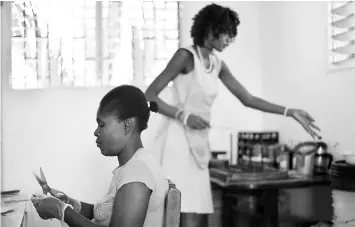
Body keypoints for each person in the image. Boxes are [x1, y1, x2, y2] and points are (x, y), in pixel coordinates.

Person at [144, 3, 320, 227]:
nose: (230, 40)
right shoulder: (185, 56)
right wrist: (182, 115)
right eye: (228, 33)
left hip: (199, 144)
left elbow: (248, 99)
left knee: (195, 212)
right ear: (211, 30)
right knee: (177, 208)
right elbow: (148, 97)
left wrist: (289, 111)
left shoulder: (217, 64)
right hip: (176, 142)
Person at [31, 85, 169, 227]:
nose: (96, 132)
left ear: (127, 126)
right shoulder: (136, 165)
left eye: (102, 125)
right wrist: (68, 202)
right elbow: (107, 213)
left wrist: (61, 211)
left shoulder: (136, 173)